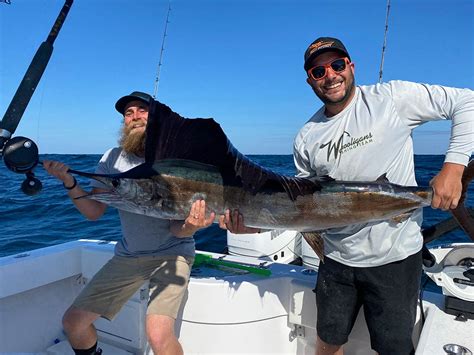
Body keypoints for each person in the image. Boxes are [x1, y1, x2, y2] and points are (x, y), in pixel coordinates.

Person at [291, 37, 473, 354]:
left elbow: (467, 101)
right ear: (310, 80)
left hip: (396, 259)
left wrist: (455, 167)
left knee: (393, 348)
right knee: (327, 342)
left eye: (336, 65)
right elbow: (305, 205)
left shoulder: (391, 98)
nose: (330, 75)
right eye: (319, 71)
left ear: (350, 66)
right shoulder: (306, 136)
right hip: (335, 262)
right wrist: (252, 222)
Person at [43, 91, 215, 355]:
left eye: (142, 110)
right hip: (129, 255)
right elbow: (94, 212)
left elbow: (177, 228)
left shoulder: (173, 159)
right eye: (128, 113)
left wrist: (193, 225)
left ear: (156, 117)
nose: (135, 116)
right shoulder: (112, 159)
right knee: (73, 323)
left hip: (173, 253)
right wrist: (69, 182)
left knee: (158, 336)